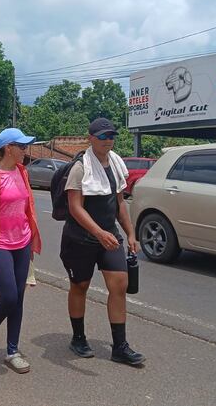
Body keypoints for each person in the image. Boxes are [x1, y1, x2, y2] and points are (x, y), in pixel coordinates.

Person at [61, 117, 145, 366]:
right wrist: (98, 233)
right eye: (103, 136)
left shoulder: (116, 163)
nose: (108, 140)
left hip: (109, 235)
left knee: (119, 284)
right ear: (91, 138)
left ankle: (120, 346)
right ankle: (78, 338)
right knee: (80, 286)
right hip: (80, 239)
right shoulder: (80, 167)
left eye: (111, 136)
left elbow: (119, 203)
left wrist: (130, 233)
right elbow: (75, 208)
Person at [0, 128, 42, 374]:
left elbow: (28, 209)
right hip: (0, 245)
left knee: (20, 299)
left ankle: (12, 351)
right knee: (10, 297)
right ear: (8, 149)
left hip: (22, 243)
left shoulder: (22, 172)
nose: (26, 150)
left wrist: (32, 241)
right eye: (22, 146)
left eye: (26, 146)